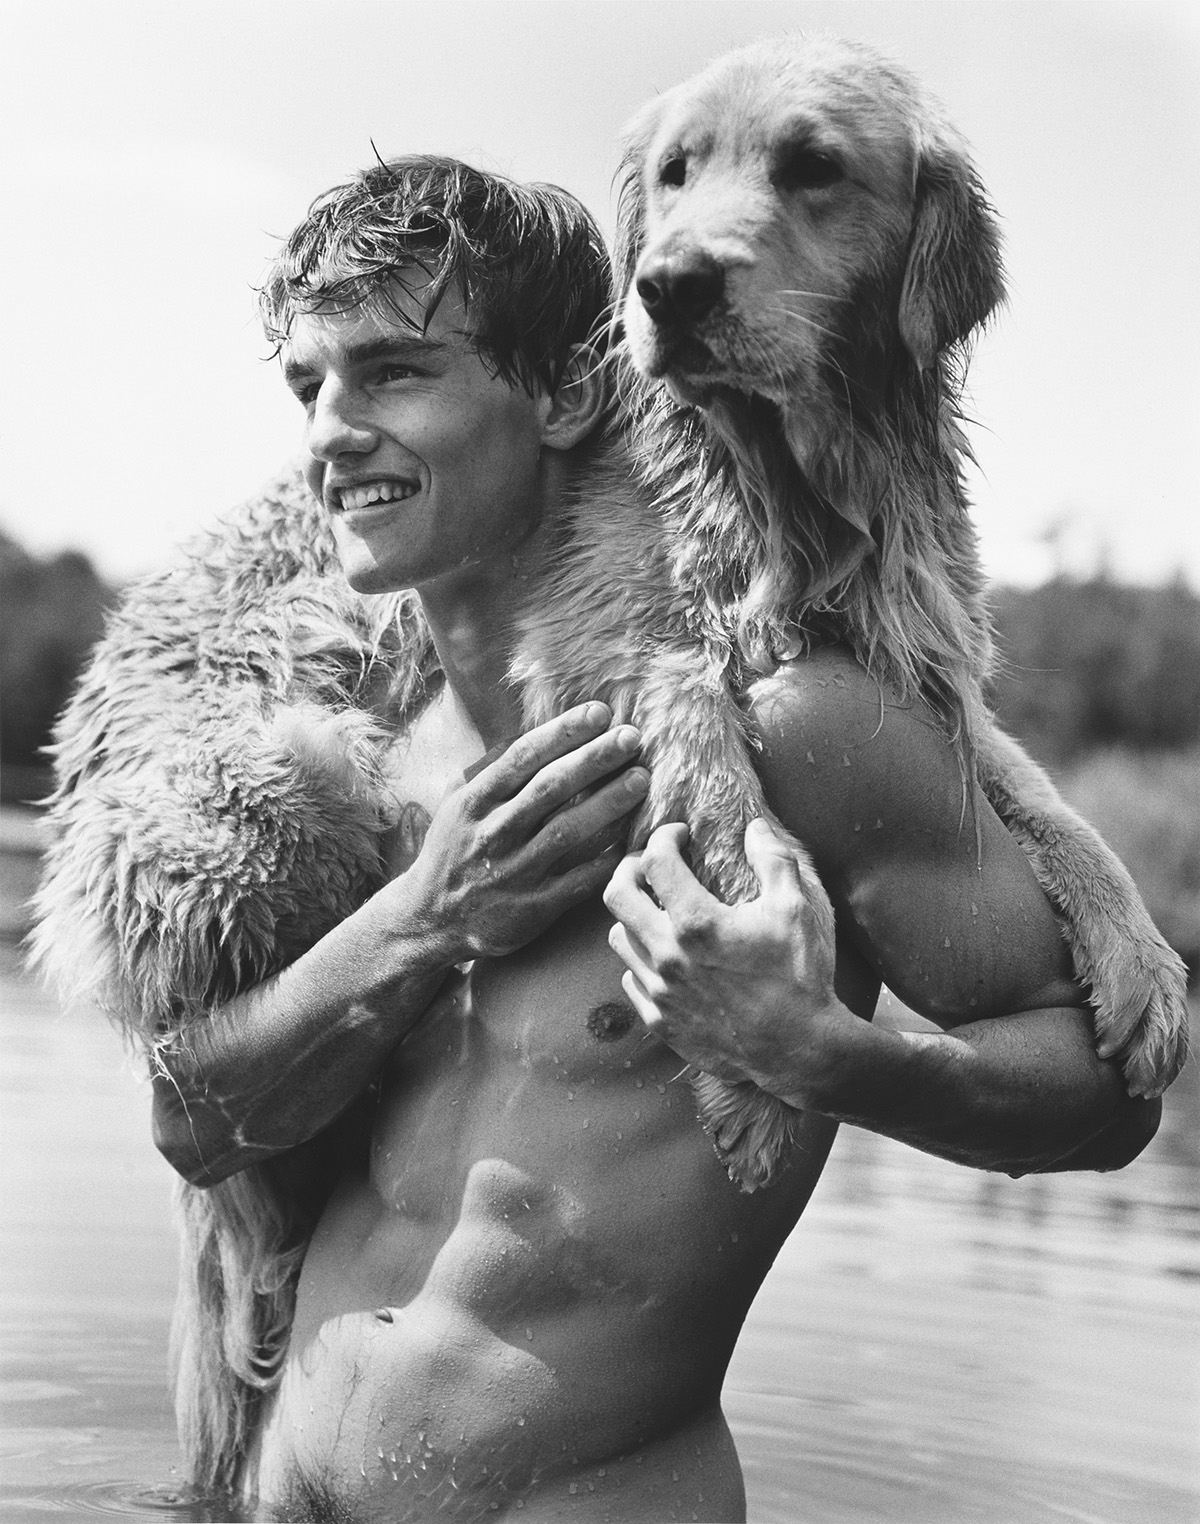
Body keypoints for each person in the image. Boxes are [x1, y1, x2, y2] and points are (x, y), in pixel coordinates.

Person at [40, 157, 1157, 1523]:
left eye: (393, 372)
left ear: (568, 393)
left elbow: (1108, 1101)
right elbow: (193, 1123)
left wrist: (819, 1053)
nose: (332, 431)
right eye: (310, 386)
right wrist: (423, 918)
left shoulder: (792, 731)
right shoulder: (356, 762)